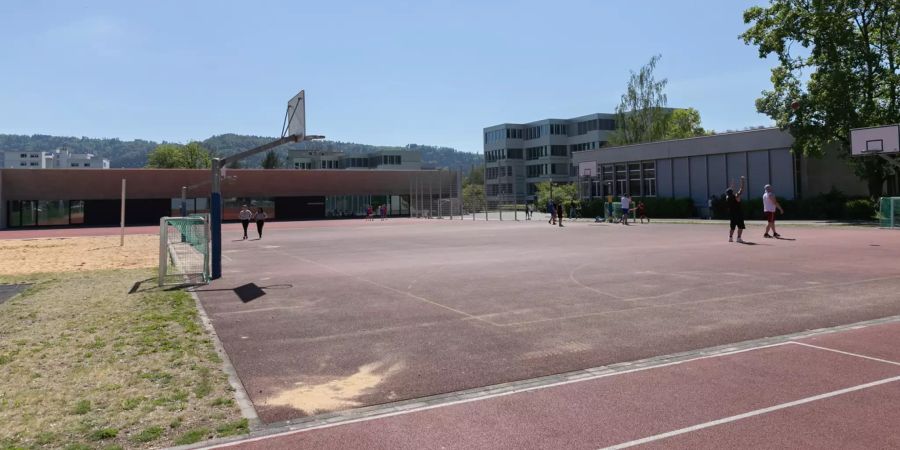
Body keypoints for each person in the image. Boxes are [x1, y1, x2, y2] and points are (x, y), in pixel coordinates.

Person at [726, 176, 746, 243]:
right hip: (738, 214)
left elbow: (730, 190)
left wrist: (732, 185)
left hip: (732, 214)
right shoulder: (736, 196)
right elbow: (741, 189)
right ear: (732, 192)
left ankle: (730, 238)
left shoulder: (727, 198)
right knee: (740, 226)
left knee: (732, 227)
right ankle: (739, 238)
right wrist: (742, 181)